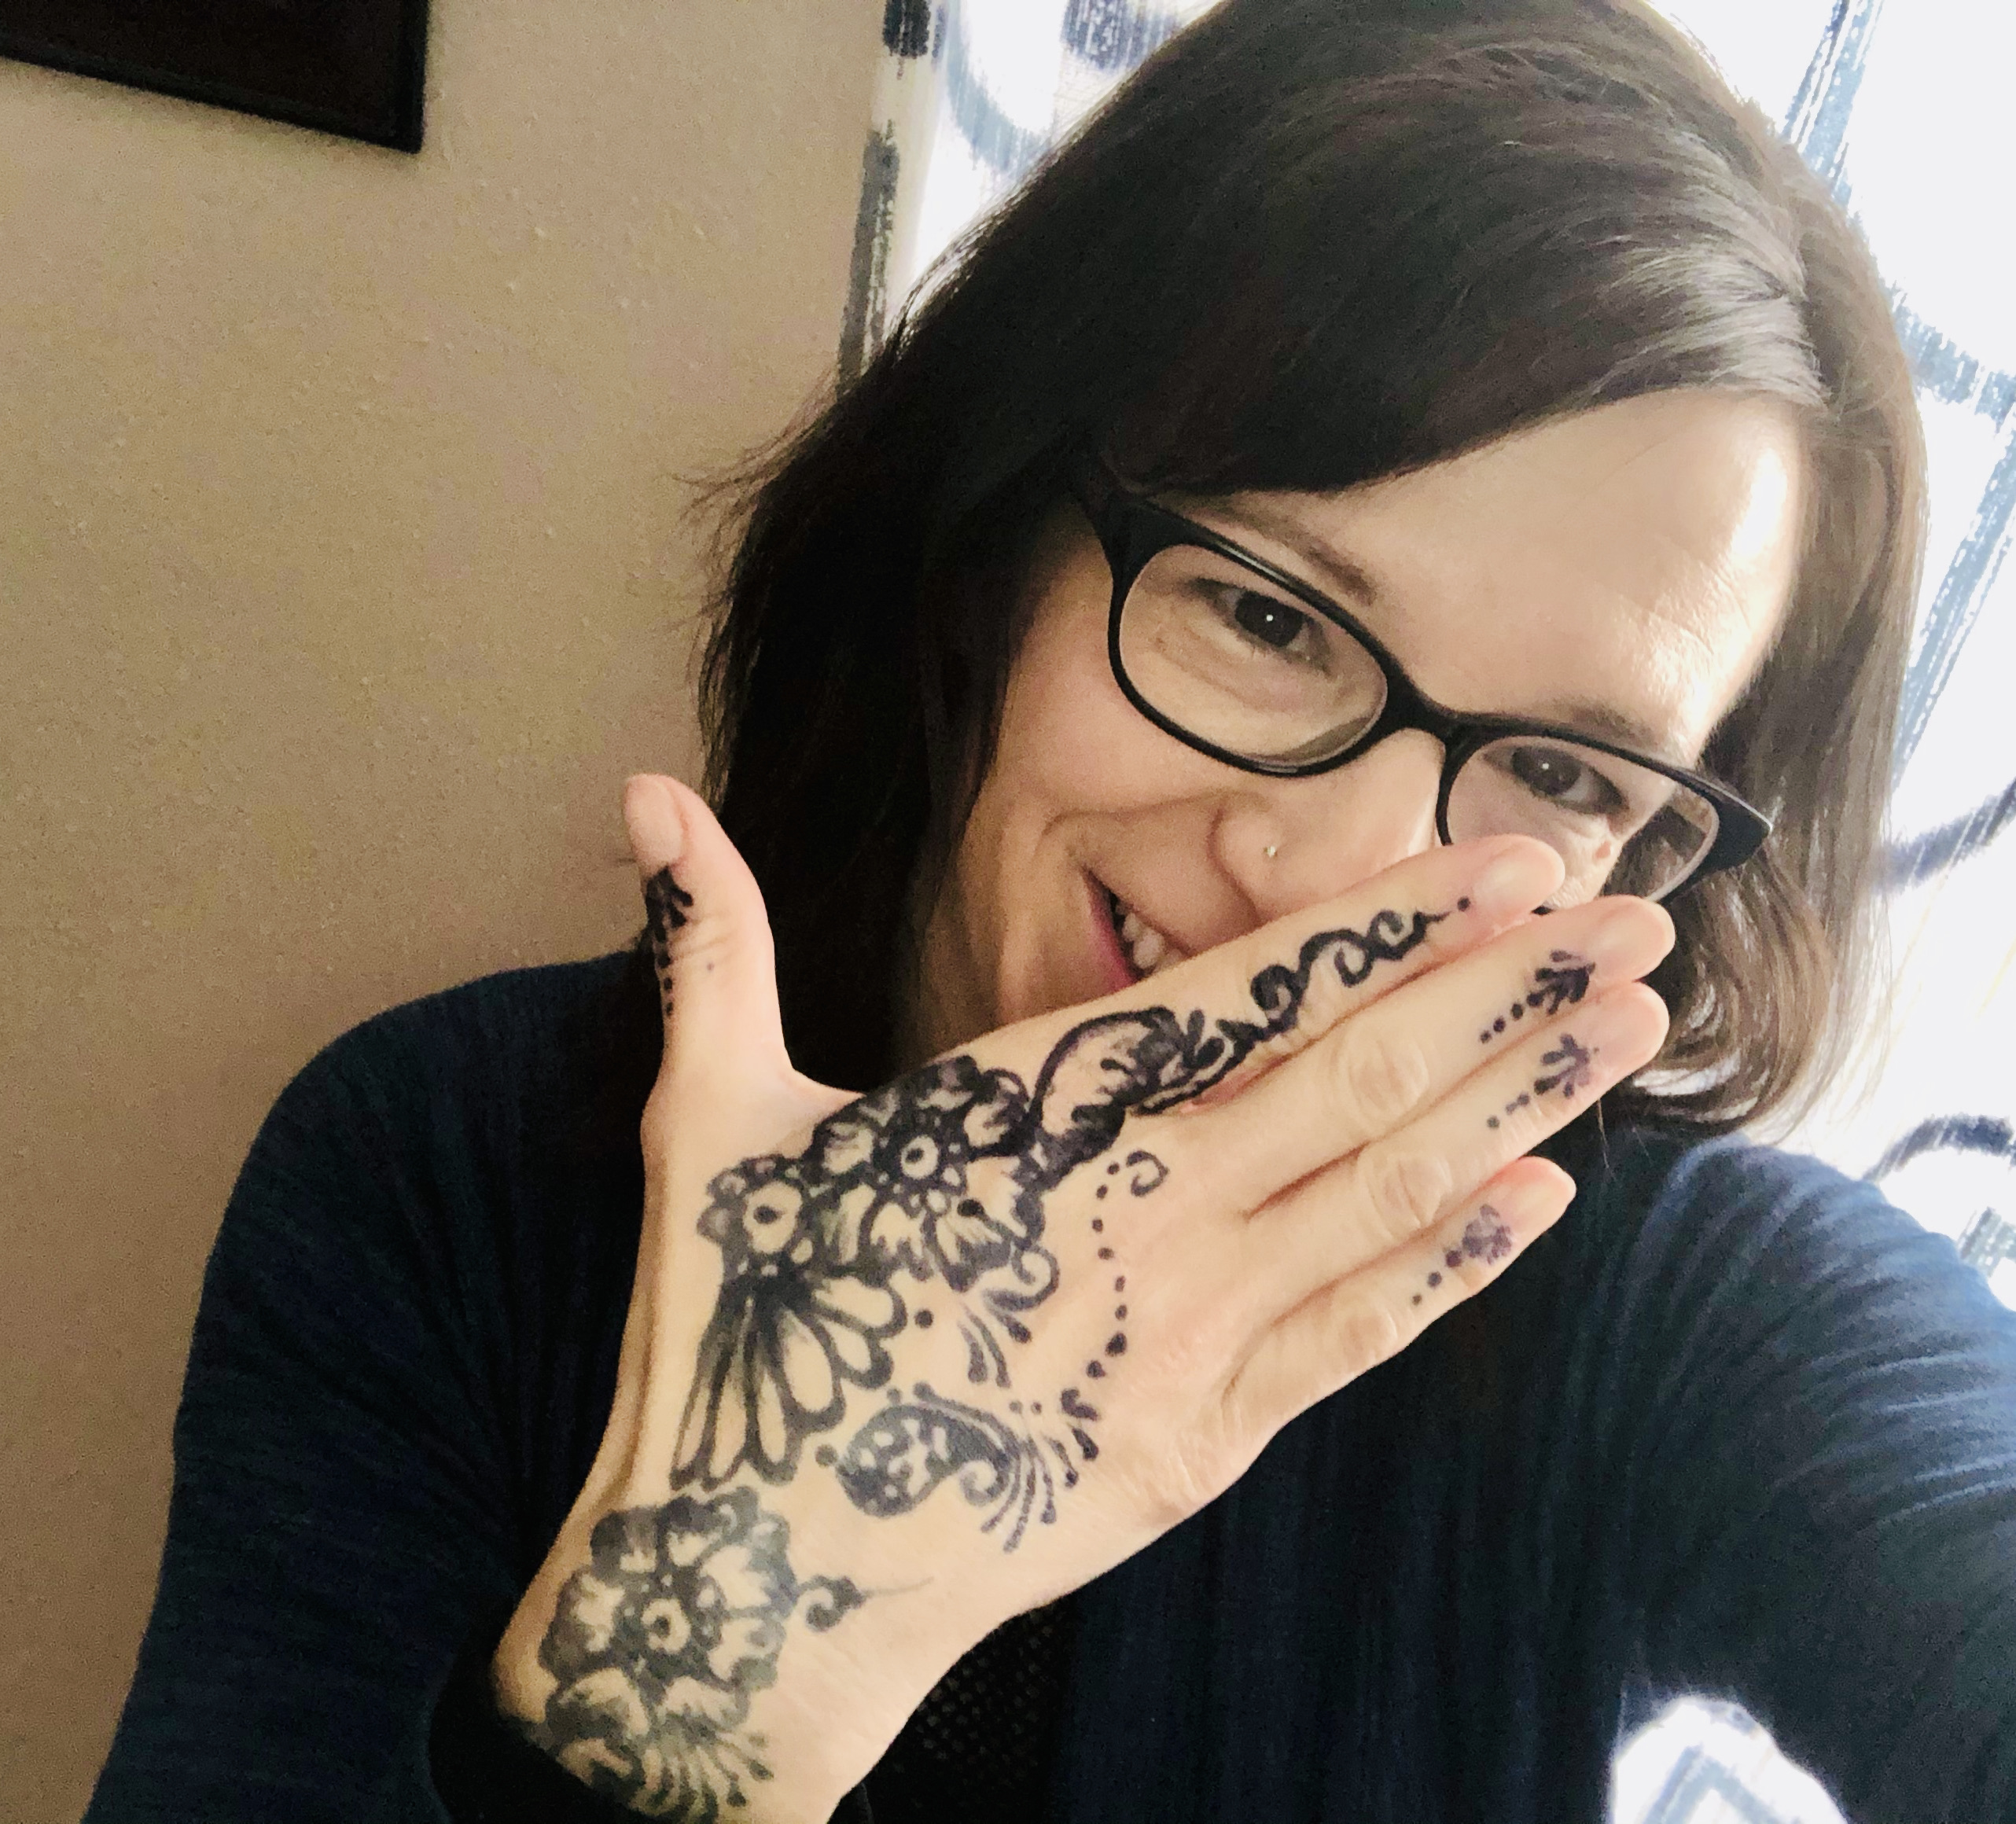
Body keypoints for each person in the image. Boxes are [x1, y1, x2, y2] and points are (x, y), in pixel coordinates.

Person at [83, 2, 2016, 1822]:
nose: (1331, 876)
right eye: (1262, 613)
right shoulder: (438, 1176)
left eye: (1569, 775)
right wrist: (687, 1694)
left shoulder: (1665, 1305)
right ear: (987, 528)